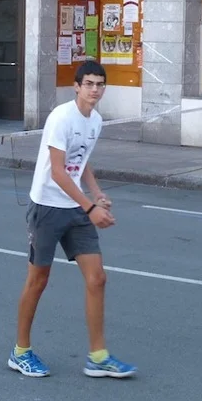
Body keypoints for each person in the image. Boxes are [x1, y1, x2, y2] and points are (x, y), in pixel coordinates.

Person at [8, 60, 136, 379]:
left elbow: (82, 160)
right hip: (47, 207)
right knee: (38, 280)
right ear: (77, 87)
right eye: (88, 84)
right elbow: (58, 171)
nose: (94, 89)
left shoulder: (95, 120)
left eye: (100, 84)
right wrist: (90, 208)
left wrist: (96, 193)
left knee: (97, 278)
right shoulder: (61, 117)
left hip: (76, 207)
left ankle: (98, 356)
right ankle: (20, 352)